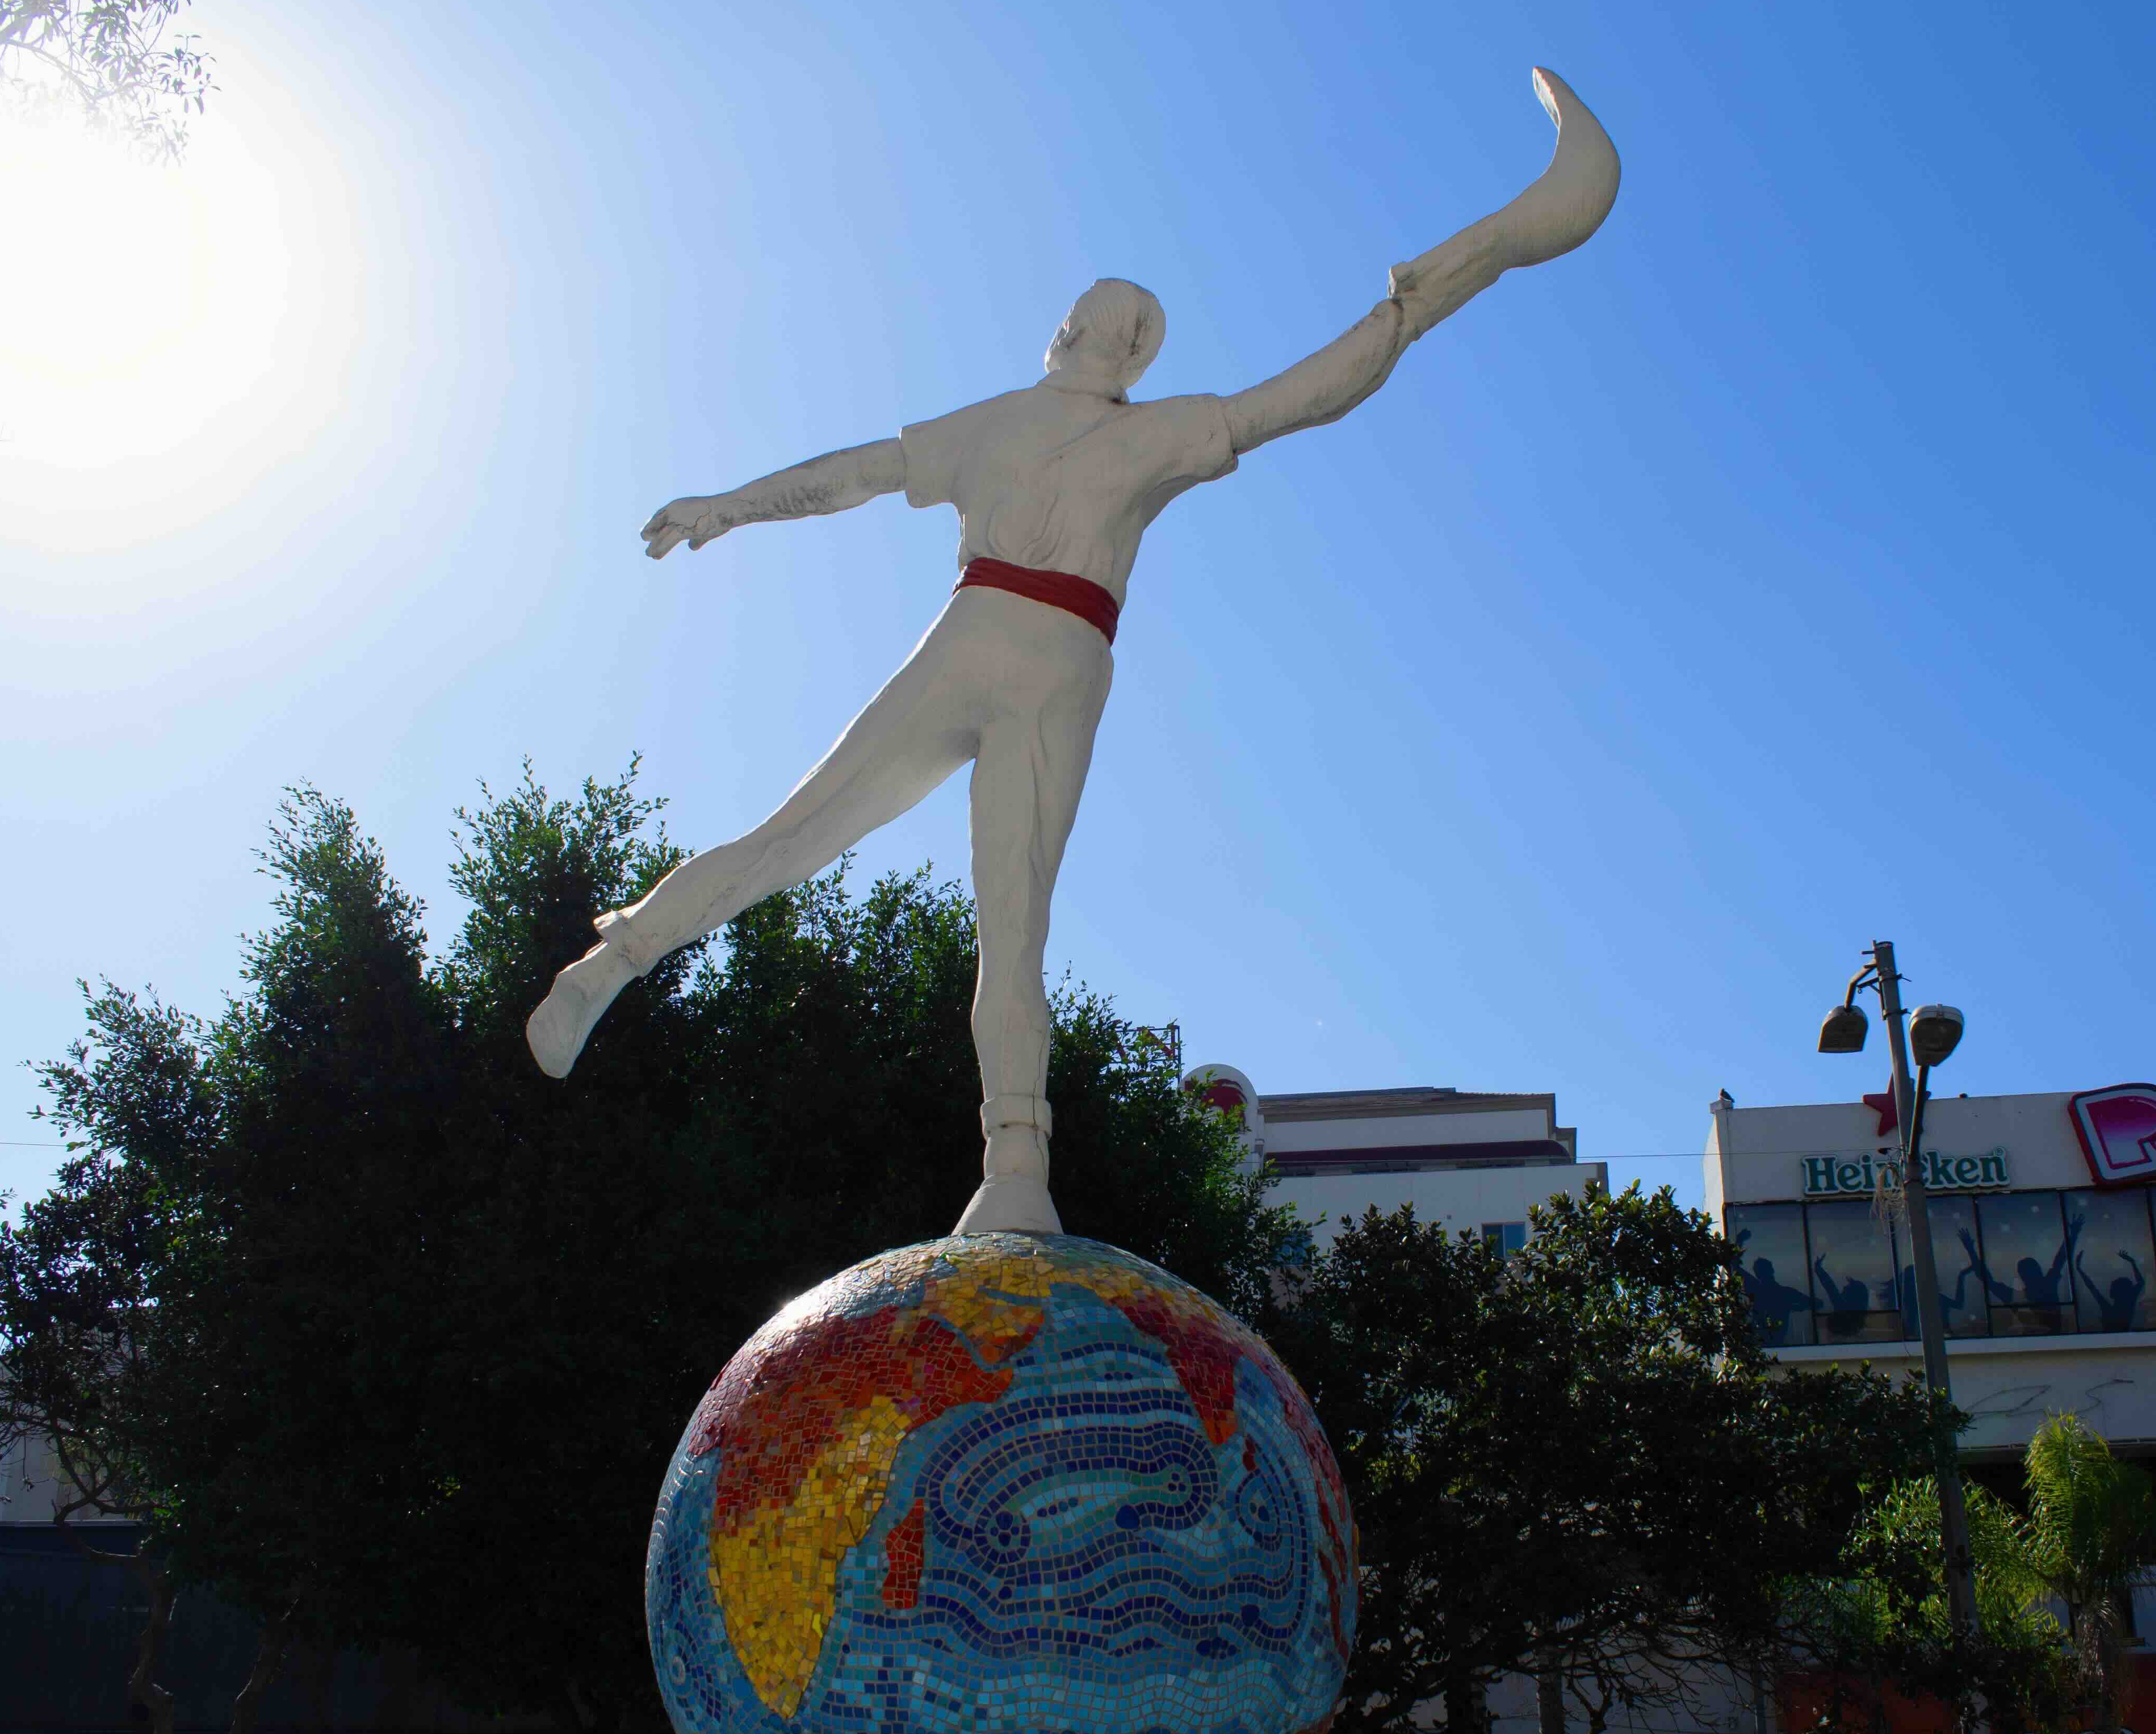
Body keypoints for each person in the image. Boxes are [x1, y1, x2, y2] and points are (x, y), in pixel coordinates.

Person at [523, 73, 1619, 1236]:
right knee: (859, 857)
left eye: (1100, 322)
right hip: (1001, 638)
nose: (1081, 334)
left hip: (1042, 656)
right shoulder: (1025, 424)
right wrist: (732, 504)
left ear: (1117, 345)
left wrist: (1418, 301)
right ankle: (626, 964)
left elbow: (1307, 397)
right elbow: (859, 471)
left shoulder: (1146, 433)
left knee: (991, 917)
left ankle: (1010, 1166)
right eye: (1085, 317)